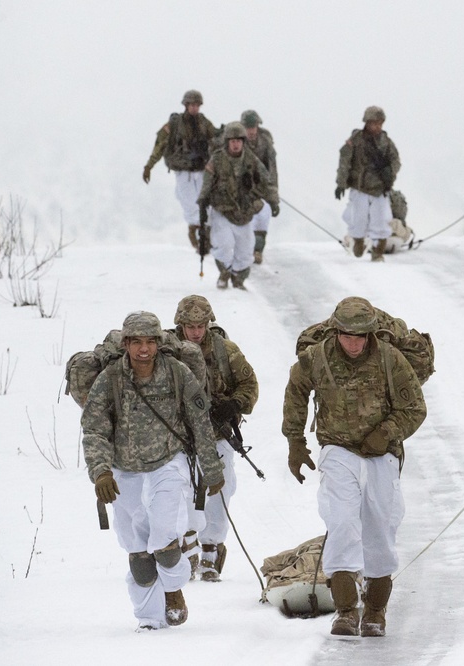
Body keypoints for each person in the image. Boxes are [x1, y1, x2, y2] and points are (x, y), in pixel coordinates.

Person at [281, 297, 426, 637]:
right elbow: (295, 394)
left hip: (382, 454)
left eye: (361, 336)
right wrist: (295, 442)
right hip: (337, 449)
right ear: (335, 331)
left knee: (380, 526)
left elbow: (415, 408)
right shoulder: (315, 358)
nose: (354, 343)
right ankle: (346, 611)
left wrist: (385, 433)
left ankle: (375, 609)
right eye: (347, 335)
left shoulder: (391, 359)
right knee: (341, 520)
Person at [81, 311, 224, 631]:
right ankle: (148, 617)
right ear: (127, 344)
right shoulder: (110, 379)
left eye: (149, 342)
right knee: (137, 550)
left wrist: (212, 469)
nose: (143, 349)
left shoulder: (177, 372)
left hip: (168, 463)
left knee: (164, 533)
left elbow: (200, 423)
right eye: (136, 343)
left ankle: (173, 591)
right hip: (123, 468)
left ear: (159, 343)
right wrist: (101, 471)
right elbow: (93, 428)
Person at [171, 295, 259, 582]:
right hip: (177, 434)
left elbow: (249, 384)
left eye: (201, 325)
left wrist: (234, 404)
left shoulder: (225, 350)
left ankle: (211, 547)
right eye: (190, 325)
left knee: (220, 489)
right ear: (179, 324)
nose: (196, 331)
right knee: (180, 490)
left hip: (216, 431)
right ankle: (186, 543)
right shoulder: (167, 350)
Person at [198, 121, 279, 290]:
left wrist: (273, 201)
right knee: (224, 244)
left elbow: (267, 181)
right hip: (222, 209)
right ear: (227, 142)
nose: (235, 144)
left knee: (245, 249)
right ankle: (225, 272)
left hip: (244, 211)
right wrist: (202, 204)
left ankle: (238, 278)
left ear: (243, 142)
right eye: (232, 141)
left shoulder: (251, 160)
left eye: (238, 141)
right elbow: (207, 182)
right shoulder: (217, 159)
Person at [142, 90, 219, 250]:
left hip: (202, 169)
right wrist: (149, 165)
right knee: (190, 203)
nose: (195, 108)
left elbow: (216, 137)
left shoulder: (204, 122)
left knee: (207, 202)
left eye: (197, 105)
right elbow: (160, 146)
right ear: (186, 105)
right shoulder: (175, 124)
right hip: (183, 171)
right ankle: (194, 230)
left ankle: (206, 236)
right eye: (192, 105)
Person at [335, 106, 401, 262]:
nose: (377, 127)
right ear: (367, 123)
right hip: (360, 187)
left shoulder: (386, 142)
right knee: (358, 219)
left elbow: (396, 161)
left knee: (381, 221)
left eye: (380, 123)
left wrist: (390, 171)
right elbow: (345, 162)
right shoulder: (356, 141)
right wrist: (341, 183)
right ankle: (358, 243)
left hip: (380, 189)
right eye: (374, 123)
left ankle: (378, 253)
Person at [240, 110, 279, 265]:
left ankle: (257, 250)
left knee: (263, 216)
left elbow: (272, 171)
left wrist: (273, 198)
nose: (251, 131)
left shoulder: (265, 142)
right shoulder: (235, 141)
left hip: (261, 188)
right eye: (248, 127)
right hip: (240, 189)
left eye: (253, 127)